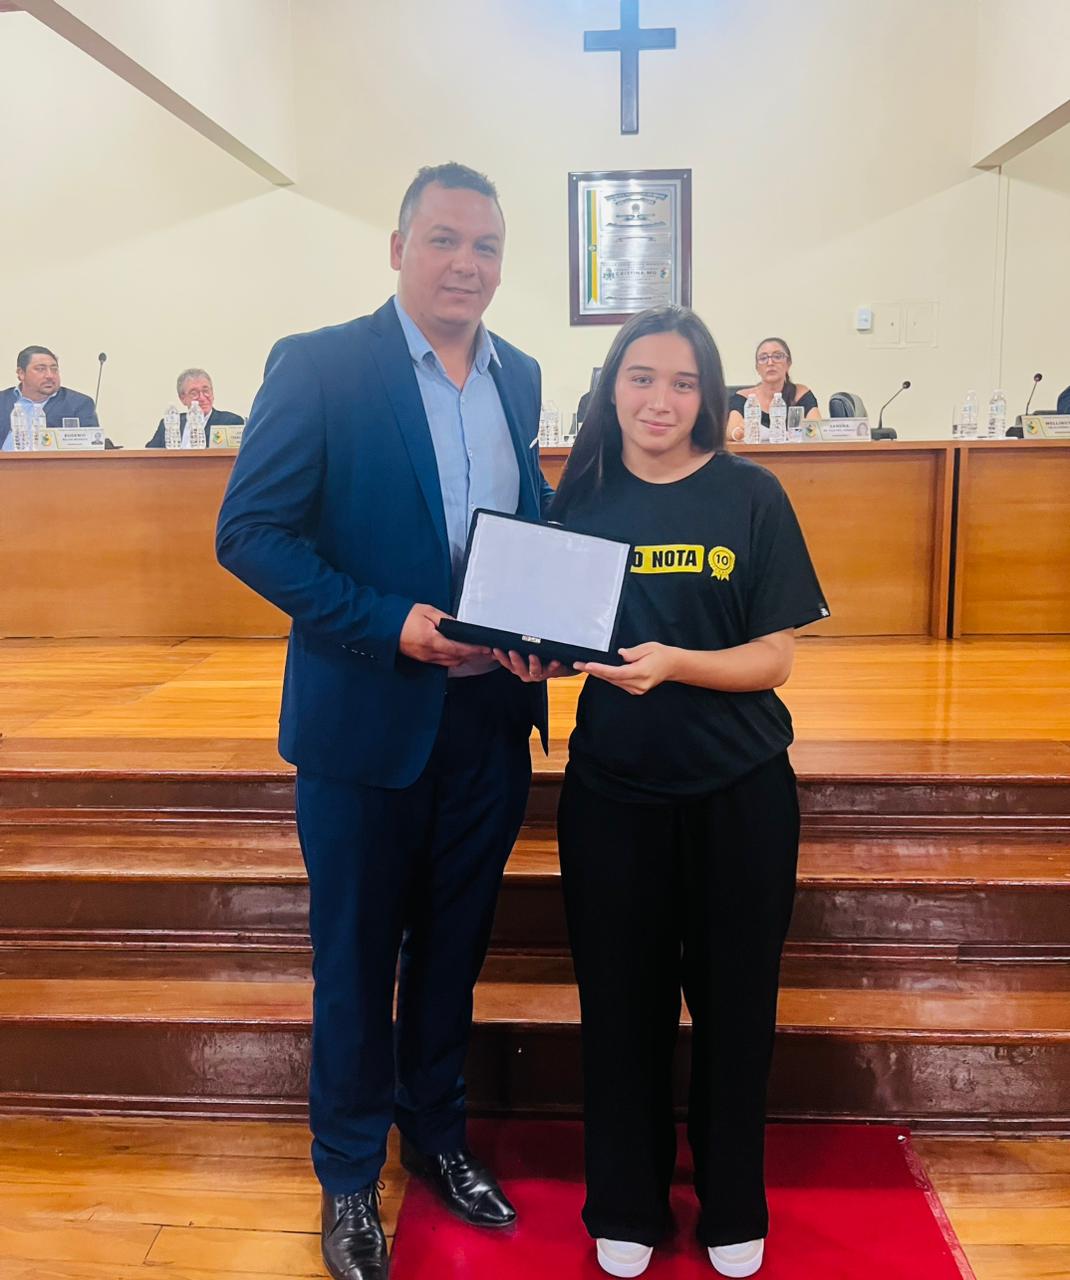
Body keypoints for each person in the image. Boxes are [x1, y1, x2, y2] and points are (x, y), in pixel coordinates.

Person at [216, 162, 553, 1280]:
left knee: (453, 953)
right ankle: (351, 1175)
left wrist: (540, 624)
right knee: (357, 963)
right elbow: (250, 533)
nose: (467, 264)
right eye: (444, 240)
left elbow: (522, 523)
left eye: (486, 246)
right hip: (366, 719)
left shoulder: (519, 376)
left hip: (487, 720)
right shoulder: (320, 366)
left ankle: (437, 1136)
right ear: (399, 246)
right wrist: (388, 624)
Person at [546, 306, 828, 1278]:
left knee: (735, 1006)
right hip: (611, 796)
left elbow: (775, 657)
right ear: (610, 386)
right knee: (618, 1006)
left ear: (708, 394)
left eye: (680, 381)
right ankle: (624, 1201)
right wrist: (530, 655)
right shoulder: (578, 497)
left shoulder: (750, 496)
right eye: (640, 377)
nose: (658, 399)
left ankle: (731, 1203)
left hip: (739, 793)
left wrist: (676, 663)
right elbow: (556, 638)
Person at [0, 346, 99, 449]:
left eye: (54, 369)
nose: (50, 375)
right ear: (21, 373)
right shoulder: (2, 401)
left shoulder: (78, 404)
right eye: (40, 369)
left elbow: (91, 448)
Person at [725, 337, 820, 441]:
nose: (770, 363)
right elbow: (730, 432)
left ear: (788, 364)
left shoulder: (801, 394)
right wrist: (738, 433)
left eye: (777, 356)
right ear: (757, 368)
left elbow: (816, 430)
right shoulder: (744, 398)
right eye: (763, 358)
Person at [145, 368, 245, 447]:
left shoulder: (230, 422)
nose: (202, 397)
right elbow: (150, 455)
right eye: (194, 393)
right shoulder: (170, 424)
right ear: (182, 398)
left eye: (206, 391)